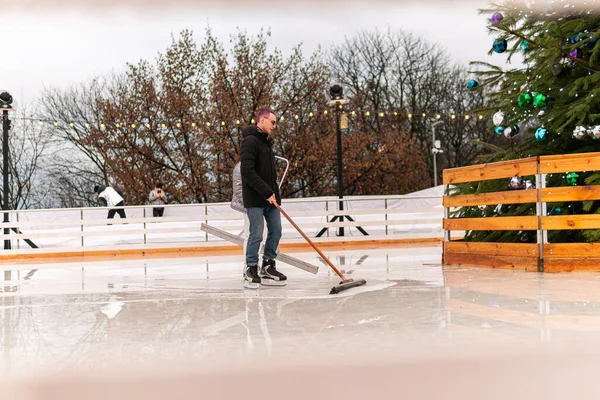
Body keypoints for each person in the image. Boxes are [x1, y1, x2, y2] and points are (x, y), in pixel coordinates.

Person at [240, 108, 287, 289]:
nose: (275, 126)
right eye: (273, 122)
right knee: (257, 233)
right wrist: (266, 192)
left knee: (276, 230)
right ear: (262, 121)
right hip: (256, 197)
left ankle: (268, 265)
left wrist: (275, 194)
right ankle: (251, 267)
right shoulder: (249, 142)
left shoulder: (267, 143)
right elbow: (247, 172)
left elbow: (269, 174)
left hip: (271, 198)